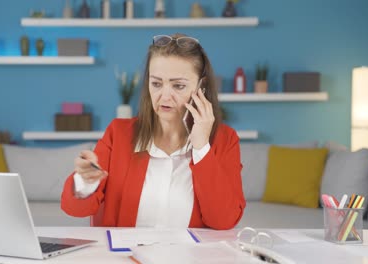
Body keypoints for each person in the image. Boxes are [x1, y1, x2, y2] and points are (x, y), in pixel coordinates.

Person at [61, 33, 245, 230]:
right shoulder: (119, 134)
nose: (164, 96)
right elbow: (75, 209)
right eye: (156, 83)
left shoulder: (225, 140)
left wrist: (201, 148)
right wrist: (85, 181)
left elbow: (224, 220)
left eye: (178, 86)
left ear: (202, 86)